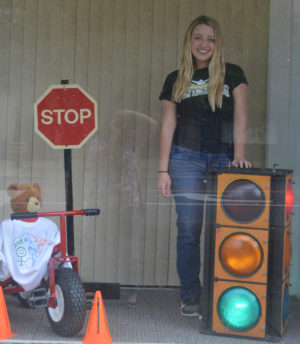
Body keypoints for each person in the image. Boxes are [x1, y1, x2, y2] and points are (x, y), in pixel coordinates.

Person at [157, 15, 252, 317]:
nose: (204, 44)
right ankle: (190, 295)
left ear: (218, 43)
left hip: (223, 160)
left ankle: (222, 293)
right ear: (189, 41)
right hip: (184, 159)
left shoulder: (233, 74)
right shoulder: (176, 79)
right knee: (189, 229)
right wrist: (162, 170)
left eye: (210, 39)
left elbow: (240, 118)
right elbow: (167, 125)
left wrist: (238, 155)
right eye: (198, 37)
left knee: (226, 229)